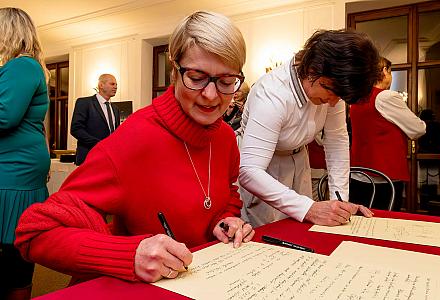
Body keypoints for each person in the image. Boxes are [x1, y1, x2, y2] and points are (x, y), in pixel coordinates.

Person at [15, 11, 254, 284]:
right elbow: (35, 232)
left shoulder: (224, 137)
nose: (211, 96)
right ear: (174, 71)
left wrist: (223, 222)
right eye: (197, 77)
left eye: (225, 82)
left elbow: (226, 198)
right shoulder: (134, 138)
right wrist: (129, 254)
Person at [239, 29, 378, 227]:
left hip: (299, 161)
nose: (333, 103)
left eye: (340, 97)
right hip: (264, 170)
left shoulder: (332, 88)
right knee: (268, 235)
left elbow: (336, 141)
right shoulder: (272, 94)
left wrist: (340, 202)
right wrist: (309, 208)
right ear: (313, 69)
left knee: (303, 231)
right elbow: (250, 170)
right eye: (331, 92)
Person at [0, 7, 50, 300]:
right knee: (12, 250)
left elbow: (4, 115)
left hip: (11, 169)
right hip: (15, 167)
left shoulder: (22, 66)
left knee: (12, 252)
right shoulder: (24, 67)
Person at [350, 57, 426, 210]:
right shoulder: (386, 97)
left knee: (360, 223)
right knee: (385, 224)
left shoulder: (357, 98)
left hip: (358, 173)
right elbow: (418, 128)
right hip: (383, 177)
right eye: (390, 71)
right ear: (384, 71)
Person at [70, 74, 120, 165]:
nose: (116, 87)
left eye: (116, 85)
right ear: (101, 85)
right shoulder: (84, 103)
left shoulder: (115, 109)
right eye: (112, 84)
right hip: (89, 157)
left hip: (109, 159)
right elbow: (76, 129)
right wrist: (99, 145)